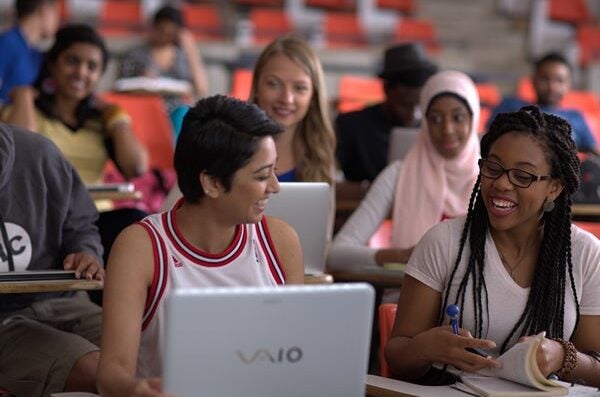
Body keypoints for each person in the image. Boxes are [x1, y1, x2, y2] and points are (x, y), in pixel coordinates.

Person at [97, 95, 304, 397]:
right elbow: (112, 374)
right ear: (212, 183)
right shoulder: (141, 247)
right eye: (262, 175)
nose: (275, 186)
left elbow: (295, 358)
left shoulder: (281, 242)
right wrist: (138, 390)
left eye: (274, 170)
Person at [385, 106, 600, 387]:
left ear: (554, 188)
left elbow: (596, 367)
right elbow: (397, 358)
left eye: (522, 176)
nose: (500, 183)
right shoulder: (443, 242)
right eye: (493, 167)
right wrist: (425, 348)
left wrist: (563, 356)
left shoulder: (585, 254)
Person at [327, 70, 480, 270]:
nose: (447, 129)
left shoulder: (491, 179)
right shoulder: (399, 175)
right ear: (423, 123)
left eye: (458, 117)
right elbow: (337, 254)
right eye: (435, 119)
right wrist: (401, 256)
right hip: (405, 293)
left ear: (473, 118)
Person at [0, 122, 104, 395]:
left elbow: (81, 225)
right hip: (4, 322)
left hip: (63, 301)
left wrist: (86, 252)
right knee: (101, 372)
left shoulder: (39, 152)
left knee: (152, 355)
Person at [336, 42, 438, 182]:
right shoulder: (350, 126)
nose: (415, 114)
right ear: (386, 90)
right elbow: (330, 179)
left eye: (421, 106)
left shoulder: (435, 128)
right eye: (406, 105)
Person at [248, 35, 336, 185]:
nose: (286, 99)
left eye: (300, 88)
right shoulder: (229, 148)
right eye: (274, 84)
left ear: (313, 97)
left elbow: (326, 209)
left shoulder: (321, 154)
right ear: (256, 87)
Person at [489, 52, 598, 154]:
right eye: (545, 78)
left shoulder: (575, 117)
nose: (552, 86)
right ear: (533, 80)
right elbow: (488, 138)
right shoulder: (511, 106)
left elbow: (593, 151)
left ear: (568, 85)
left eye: (559, 80)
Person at [118, 5, 209, 114]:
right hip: (145, 110)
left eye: (170, 34)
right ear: (153, 27)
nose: (164, 37)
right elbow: (120, 88)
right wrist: (141, 81)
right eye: (161, 30)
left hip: (179, 111)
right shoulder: (134, 55)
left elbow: (201, 89)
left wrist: (191, 48)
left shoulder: (183, 56)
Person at [0, 0, 59, 104]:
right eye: (56, 14)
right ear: (45, 10)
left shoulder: (35, 54)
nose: (57, 21)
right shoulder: (7, 44)